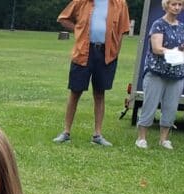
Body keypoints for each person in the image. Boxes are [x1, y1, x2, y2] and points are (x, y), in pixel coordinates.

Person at [52, 0, 131, 147]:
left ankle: (97, 135)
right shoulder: (82, 1)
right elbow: (63, 18)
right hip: (83, 51)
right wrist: (78, 29)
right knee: (75, 92)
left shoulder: (120, 3)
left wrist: (115, 52)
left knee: (100, 93)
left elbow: (122, 30)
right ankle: (66, 132)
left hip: (106, 53)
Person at [135, 0, 184, 150]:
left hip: (177, 73)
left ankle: (164, 139)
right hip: (157, 72)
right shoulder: (158, 24)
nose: (177, 7)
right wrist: (176, 52)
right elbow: (157, 49)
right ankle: (141, 138)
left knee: (171, 107)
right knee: (150, 104)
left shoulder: (182, 27)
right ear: (166, 5)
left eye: (180, 4)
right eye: (174, 4)